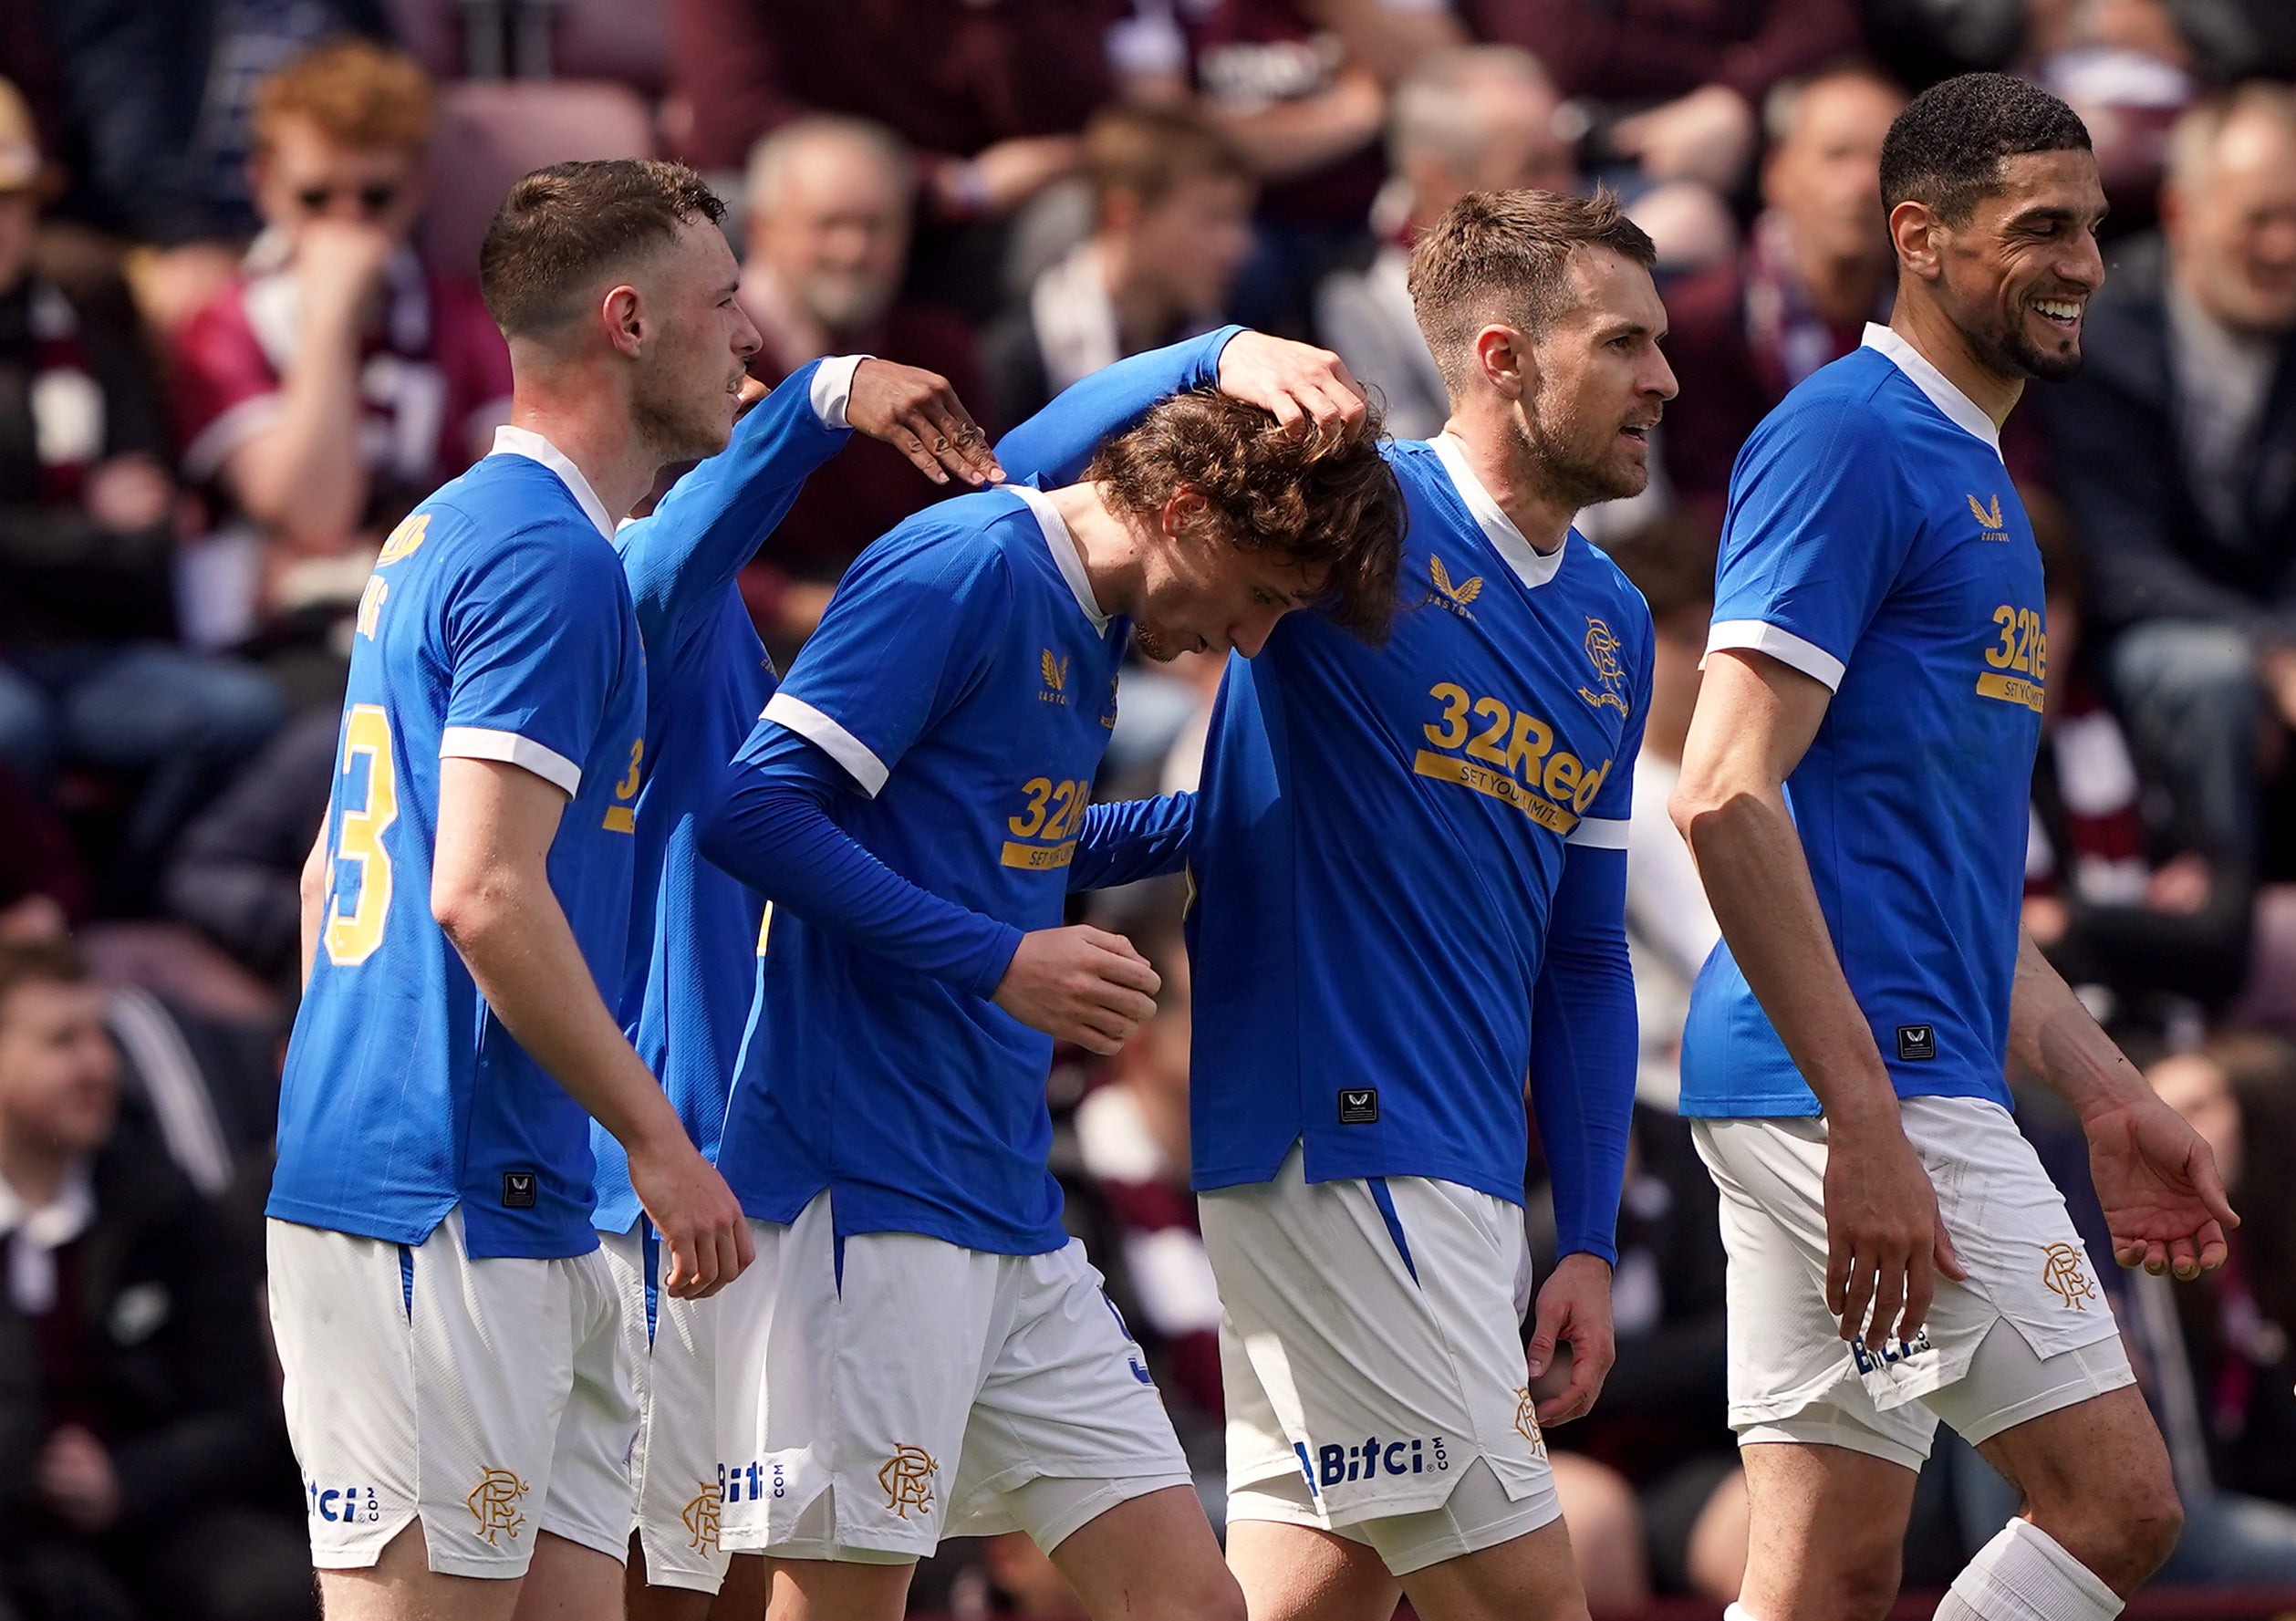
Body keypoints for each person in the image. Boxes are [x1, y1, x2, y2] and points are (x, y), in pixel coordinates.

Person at [999, 185, 1667, 1621]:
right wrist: (1209, 356)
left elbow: (1583, 951)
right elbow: (1010, 491)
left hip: (1466, 1166)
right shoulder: (1361, 511)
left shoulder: (1612, 622)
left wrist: (1593, 1239)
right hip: (1341, 1138)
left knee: (1307, 1598)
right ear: (1498, 356)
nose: (1664, 380)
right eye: (1623, 344)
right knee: (1529, 1601)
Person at [695, 362, 1403, 1621]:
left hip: (1003, 1201)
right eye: (1256, 598)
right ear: (1185, 507)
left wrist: (1219, 821)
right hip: (864, 1180)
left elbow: (996, 842)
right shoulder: (963, 568)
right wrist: (1000, 960)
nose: (1247, 641)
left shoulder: (1082, 620)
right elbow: (751, 813)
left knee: (1197, 1606)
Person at [1666, 73, 2233, 1621]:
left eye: (2093, 229)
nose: (2080, 265)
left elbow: (1946, 887)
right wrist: (1865, 1119)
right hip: (1862, 1083)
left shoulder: (1975, 470)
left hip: (1854, 1069)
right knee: (2118, 1504)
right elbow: (1720, 788)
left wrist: (2105, 1089)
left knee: (1827, 1574)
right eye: (2036, 229)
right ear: (1917, 237)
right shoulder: (1848, 437)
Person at [265, 158, 755, 1621]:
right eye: (723, 303)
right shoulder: (543, 557)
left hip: (504, 1186)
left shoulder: (460, 530)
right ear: (627, 321)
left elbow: (323, 881)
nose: (750, 336)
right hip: (439, 1195)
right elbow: (481, 894)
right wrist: (659, 1145)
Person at [601, 350, 1002, 1620]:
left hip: (756, 1154)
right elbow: (672, 554)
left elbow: (1020, 501)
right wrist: (825, 397)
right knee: (657, 1587)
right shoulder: (616, 579)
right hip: (664, 1162)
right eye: (719, 327)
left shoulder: (723, 627)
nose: (746, 361)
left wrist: (1200, 362)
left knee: (744, 1579)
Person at [0, 72, 285, 891]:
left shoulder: (85, 309)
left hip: (91, 651)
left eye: (12, 199)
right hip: (13, 663)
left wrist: (44, 539)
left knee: (237, 714)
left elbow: (158, 523)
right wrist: (88, 529)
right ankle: (44, 922)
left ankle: (130, 899)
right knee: (10, 734)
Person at [0, 934, 307, 1621]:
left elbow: (245, 1420)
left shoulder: (167, 1209)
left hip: (157, 1515)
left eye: (100, 1037)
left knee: (268, 1588)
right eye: (62, 1040)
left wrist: (124, 1481)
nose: (98, 1065)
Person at [171, 38, 513, 653]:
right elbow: (314, 514)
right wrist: (329, 318)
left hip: (428, 628)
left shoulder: (463, 318)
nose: (346, 222)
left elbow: (516, 500)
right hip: (274, 652)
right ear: (266, 187)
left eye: (374, 196)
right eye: (316, 198)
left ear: (416, 188)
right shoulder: (224, 326)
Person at [2037, 82, 2296, 883]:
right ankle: (2225, 916)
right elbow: (2117, 562)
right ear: (2183, 215)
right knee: (2206, 674)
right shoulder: (2102, 337)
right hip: (2145, 633)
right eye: (2258, 217)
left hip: (2274, 625)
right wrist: (2269, 651)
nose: (2284, 245)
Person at [1317, 45, 1730, 443]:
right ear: (1438, 182)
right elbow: (1402, 467)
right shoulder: (1360, 297)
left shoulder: (1599, 260)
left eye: (1566, 161)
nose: (1564, 191)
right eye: (1535, 168)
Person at [735, 115, 990, 662]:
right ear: (760, 229)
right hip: (741, 651)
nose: (853, 250)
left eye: (876, 226)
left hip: (907, 631)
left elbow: (976, 508)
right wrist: (791, 605)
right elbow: (654, 540)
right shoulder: (714, 361)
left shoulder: (937, 355)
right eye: (828, 225)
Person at [1658, 66, 1906, 521]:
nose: (1863, 182)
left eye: (1887, 160)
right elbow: (1704, 501)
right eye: (1837, 155)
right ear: (1776, 173)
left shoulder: (1958, 322)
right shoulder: (1699, 324)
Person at [983, 104, 1255, 431]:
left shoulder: (1234, 338)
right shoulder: (1017, 356)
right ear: (1124, 214)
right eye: (1213, 218)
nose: (1238, 247)